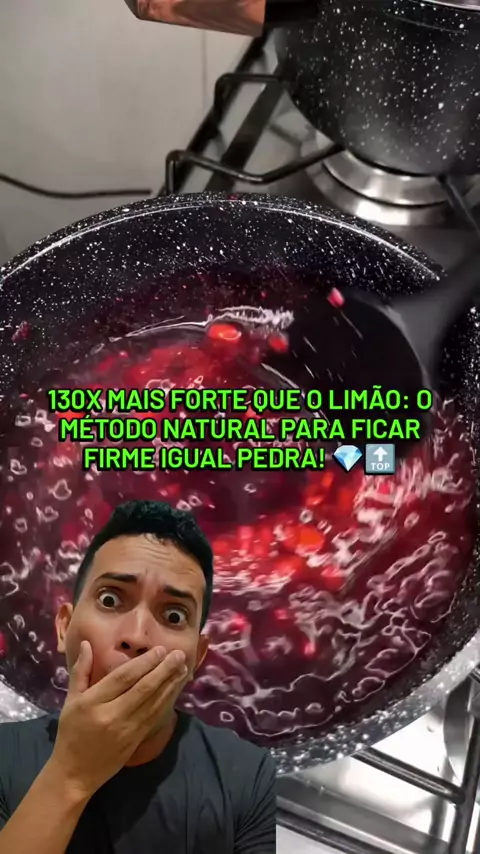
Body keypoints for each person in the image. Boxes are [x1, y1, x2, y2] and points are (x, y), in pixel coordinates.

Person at [0, 500, 277, 854]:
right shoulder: (5, 755)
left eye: (174, 616)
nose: (137, 637)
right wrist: (71, 774)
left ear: (196, 657)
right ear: (64, 627)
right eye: (110, 600)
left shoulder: (246, 776)